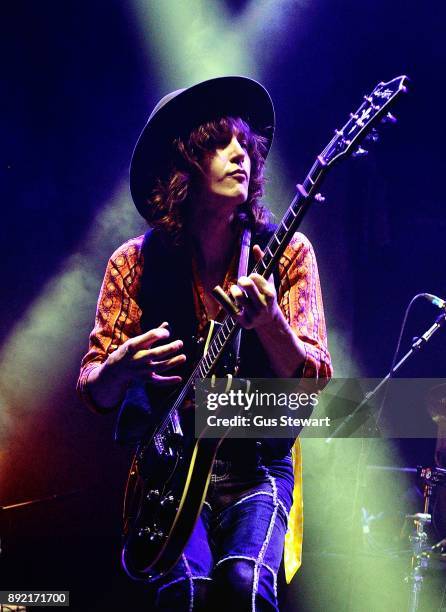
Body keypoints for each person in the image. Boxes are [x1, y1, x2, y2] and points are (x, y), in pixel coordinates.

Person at [77, 76, 332, 611]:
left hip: (255, 463)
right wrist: (120, 366)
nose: (241, 152)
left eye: (245, 142)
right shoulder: (133, 263)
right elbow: (94, 391)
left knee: (245, 585)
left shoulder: (286, 254)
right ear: (183, 167)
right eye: (220, 142)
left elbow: (313, 383)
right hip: (166, 473)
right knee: (186, 593)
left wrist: (270, 325)